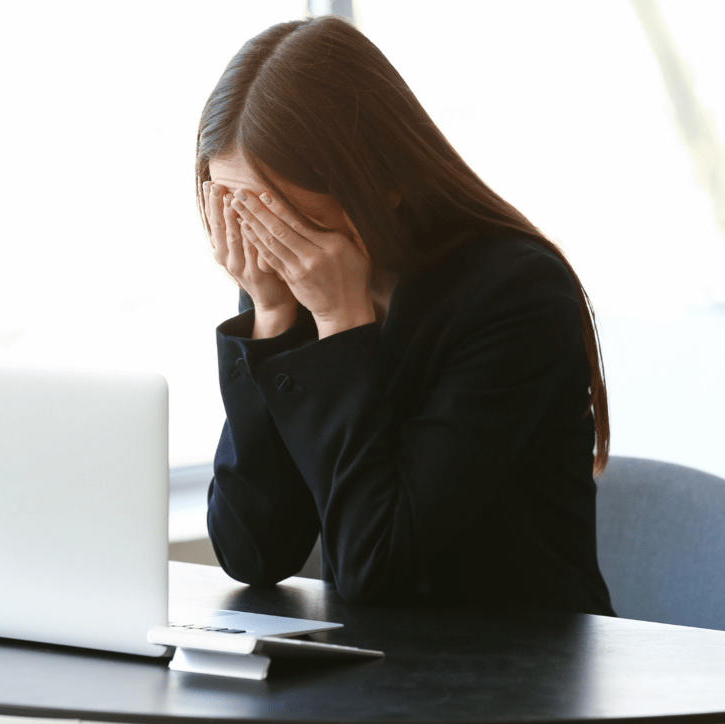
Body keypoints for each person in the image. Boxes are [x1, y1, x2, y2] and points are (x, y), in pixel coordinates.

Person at [197, 15, 615, 616]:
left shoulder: (517, 296)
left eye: (277, 209)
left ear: (379, 179)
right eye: (234, 208)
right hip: (372, 678)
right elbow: (252, 552)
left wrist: (341, 323)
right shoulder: (289, 283)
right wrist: (268, 315)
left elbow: (377, 564)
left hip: (519, 674)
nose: (260, 237)